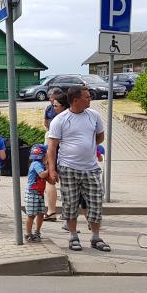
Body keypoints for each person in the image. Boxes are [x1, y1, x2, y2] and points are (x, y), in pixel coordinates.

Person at [45, 86, 109, 252]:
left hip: (91, 168)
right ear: (75, 100)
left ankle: (95, 237)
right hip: (68, 168)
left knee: (96, 203)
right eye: (87, 97)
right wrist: (52, 170)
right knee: (70, 204)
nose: (90, 99)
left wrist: (86, 147)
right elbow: (51, 147)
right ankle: (73, 237)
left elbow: (100, 137)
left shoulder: (94, 116)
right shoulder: (60, 120)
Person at [42, 87, 67, 221]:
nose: (52, 105)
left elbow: (47, 125)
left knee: (51, 181)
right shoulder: (71, 116)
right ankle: (66, 213)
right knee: (67, 183)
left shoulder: (58, 119)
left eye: (55, 103)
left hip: (56, 149)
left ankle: (52, 211)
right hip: (62, 151)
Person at [24, 143, 47, 242]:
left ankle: (37, 232)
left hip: (39, 193)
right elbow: (42, 175)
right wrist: (50, 170)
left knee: (41, 213)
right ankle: (28, 233)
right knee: (31, 215)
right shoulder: (36, 164)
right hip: (32, 193)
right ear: (43, 155)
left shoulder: (41, 164)